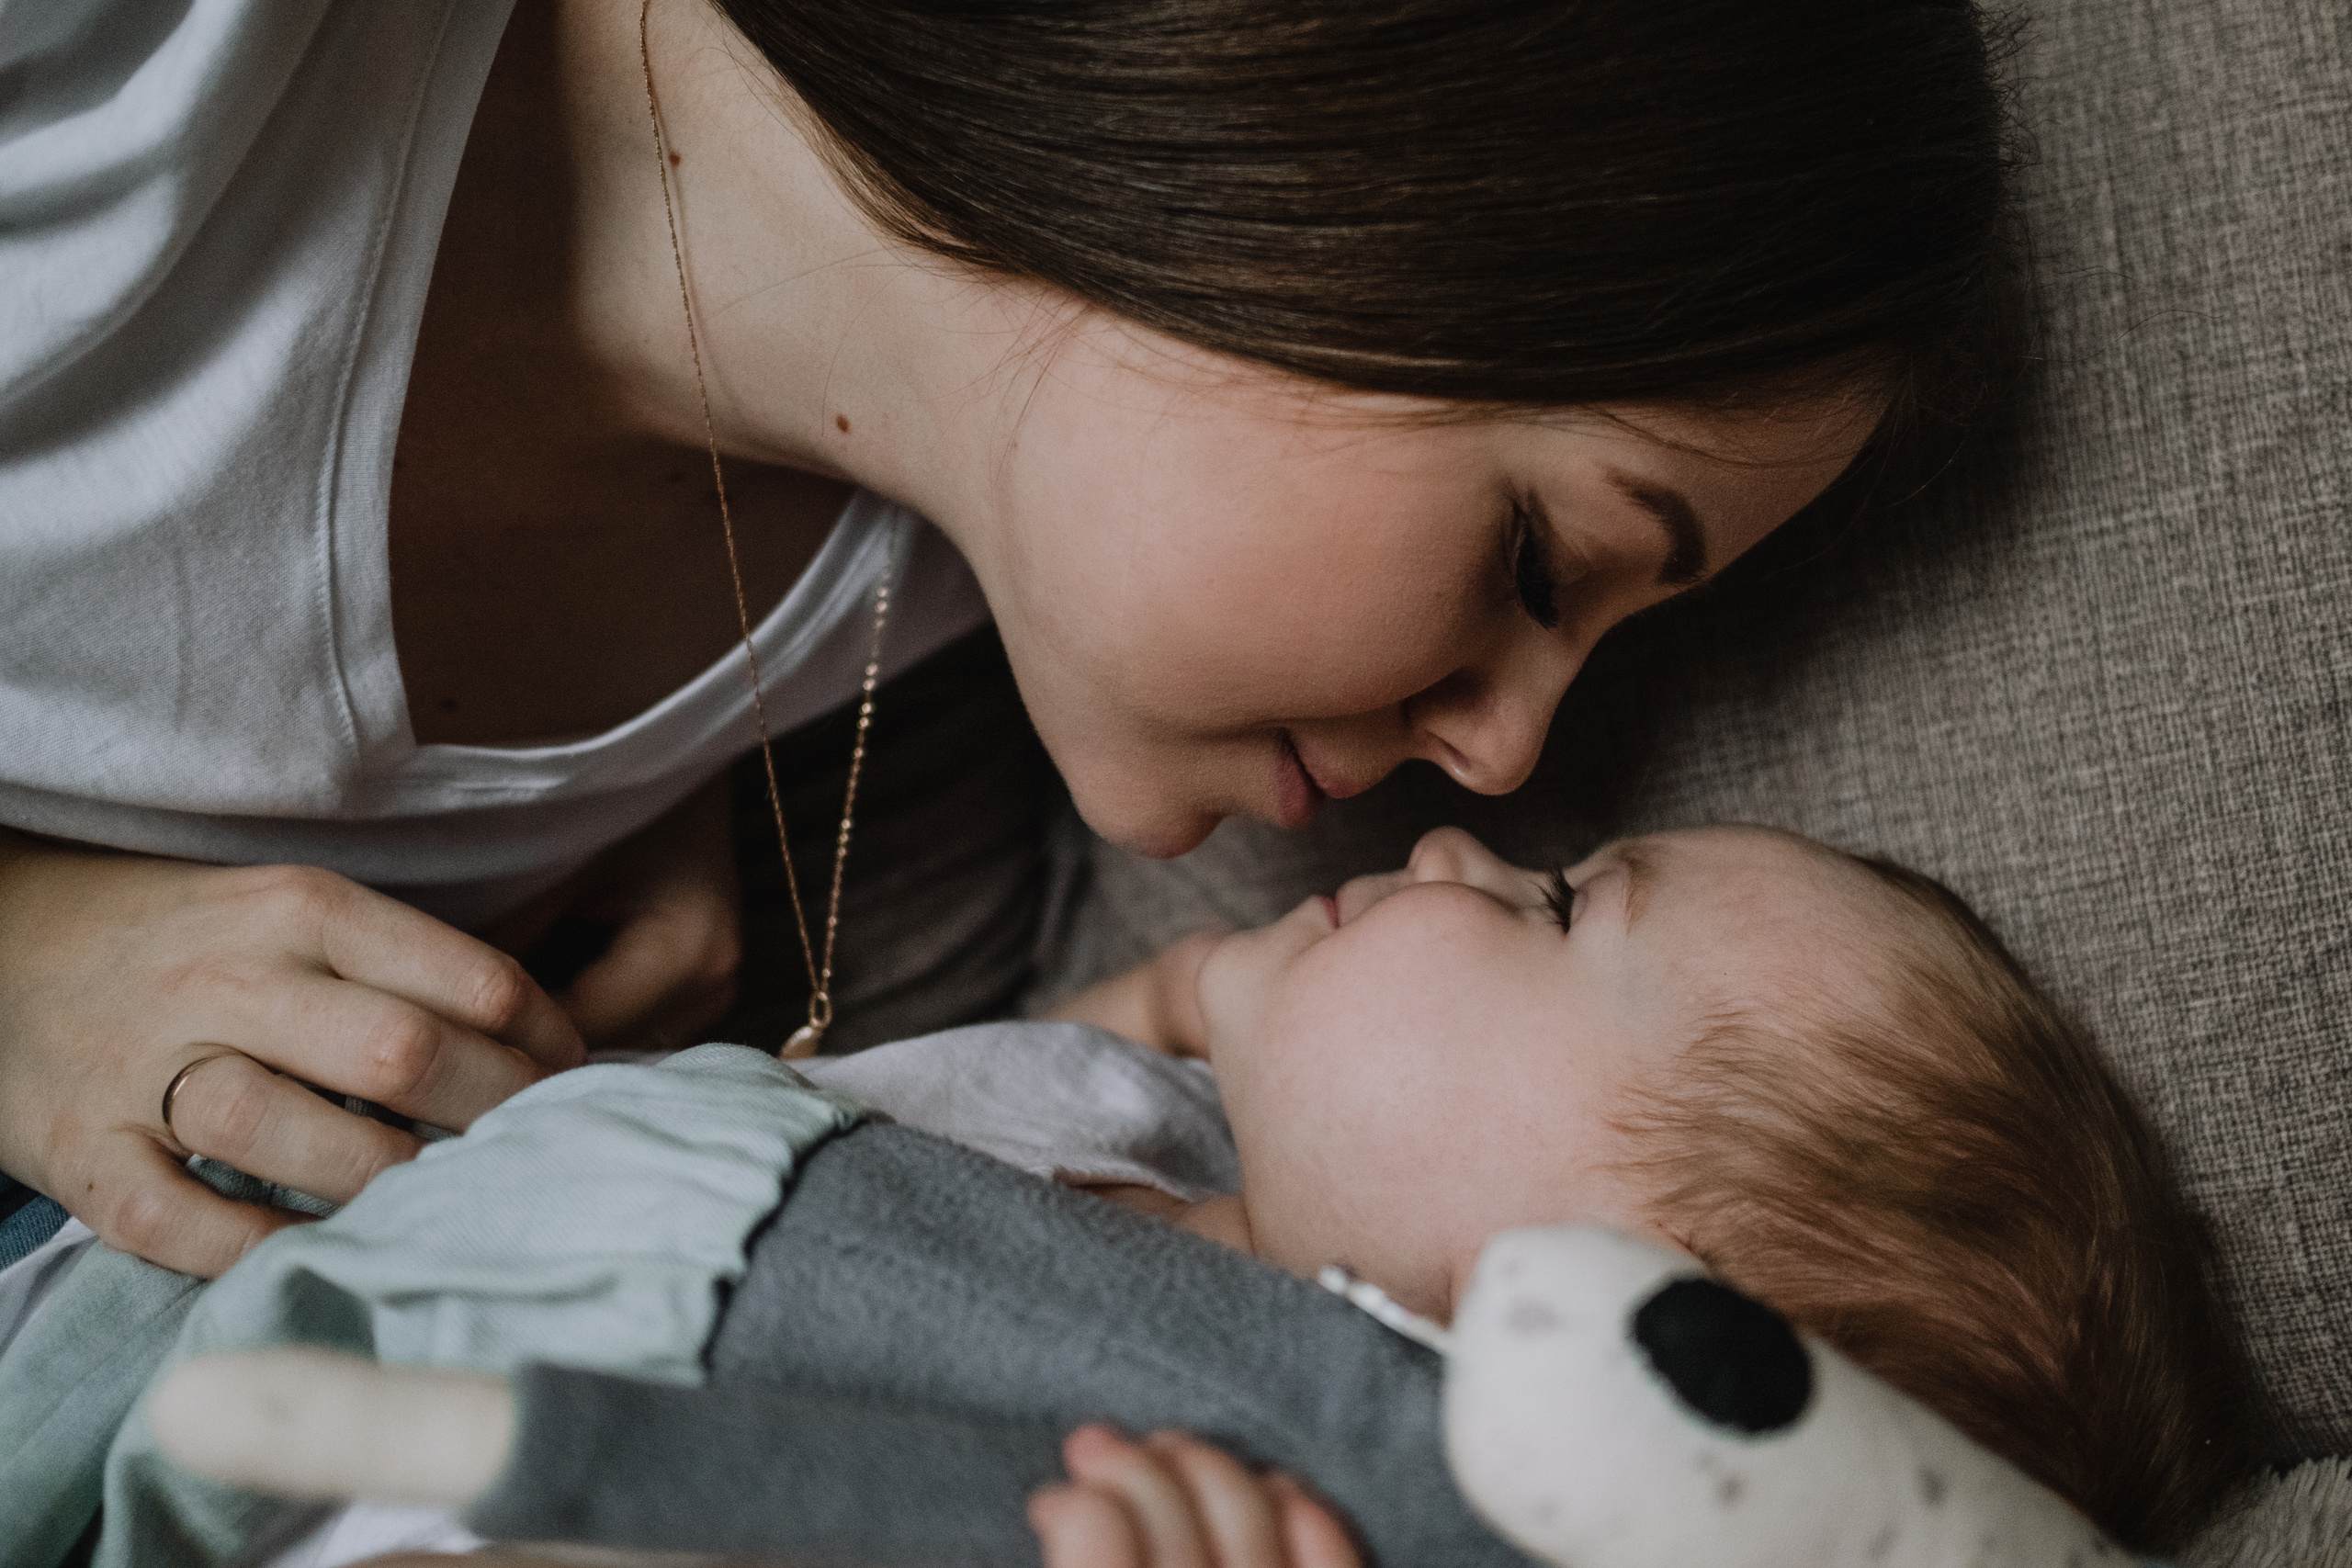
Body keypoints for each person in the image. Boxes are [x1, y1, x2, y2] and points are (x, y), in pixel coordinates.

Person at [0, 0, 2014, 1277]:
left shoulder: (928, 612)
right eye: (1538, 558)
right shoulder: (142, 73)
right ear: (1322, 166)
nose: (1498, 759)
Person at [148, 826, 2259, 1565]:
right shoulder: (1171, 1131)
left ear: (1626, 1324)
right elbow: (1000, 1125)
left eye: (1545, 898)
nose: (1459, 848)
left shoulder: (1245, 1471)